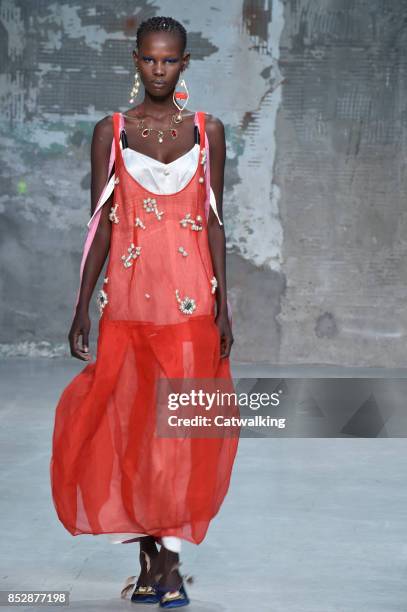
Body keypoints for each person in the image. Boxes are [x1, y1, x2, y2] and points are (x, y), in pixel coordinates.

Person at [50, 15, 239, 609]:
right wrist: (81, 305)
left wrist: (224, 307)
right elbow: (101, 227)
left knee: (179, 435)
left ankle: (170, 570)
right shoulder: (112, 132)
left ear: (185, 63)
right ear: (136, 60)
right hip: (128, 304)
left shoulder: (209, 132)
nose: (160, 69)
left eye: (171, 60)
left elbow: (212, 221)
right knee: (131, 431)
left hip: (189, 305)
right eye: (150, 59)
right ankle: (148, 563)